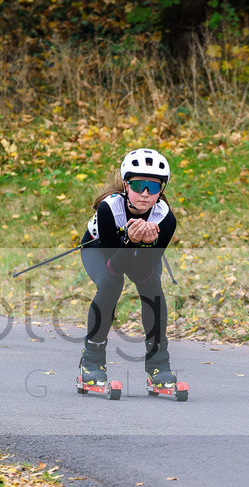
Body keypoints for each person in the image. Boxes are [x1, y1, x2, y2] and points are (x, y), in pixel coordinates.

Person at [78, 148, 177, 388]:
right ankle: (91, 361)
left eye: (153, 188)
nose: (145, 194)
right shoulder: (109, 209)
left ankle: (158, 365)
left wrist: (146, 244)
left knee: (152, 286)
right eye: (138, 185)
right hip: (100, 249)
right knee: (112, 284)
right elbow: (114, 267)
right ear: (125, 185)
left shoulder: (165, 219)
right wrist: (132, 242)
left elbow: (145, 272)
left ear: (161, 191)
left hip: (138, 253)